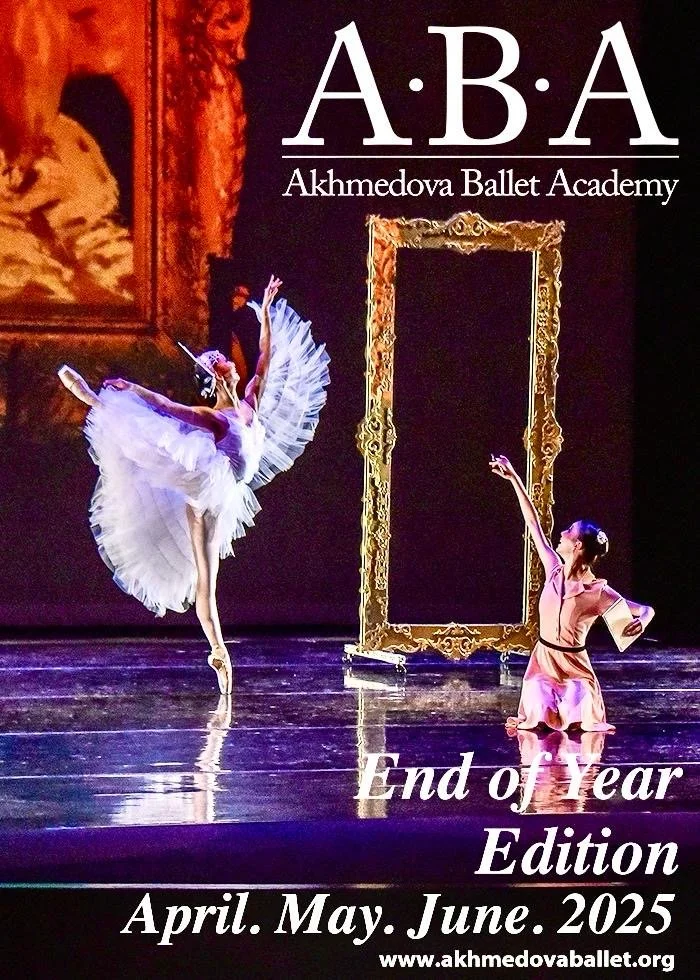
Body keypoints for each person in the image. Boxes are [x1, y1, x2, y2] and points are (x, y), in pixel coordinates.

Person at [58, 276, 330, 694]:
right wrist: (132, 387)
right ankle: (96, 401)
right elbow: (168, 407)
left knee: (208, 579)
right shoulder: (215, 418)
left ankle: (217, 651)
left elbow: (265, 358)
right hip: (206, 492)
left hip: (227, 491)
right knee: (204, 573)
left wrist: (266, 314)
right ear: (219, 377)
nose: (232, 363)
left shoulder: (251, 401)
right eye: (223, 363)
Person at [489, 455, 654, 733]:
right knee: (538, 707)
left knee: (580, 708)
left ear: (577, 546)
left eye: (568, 532)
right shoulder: (553, 569)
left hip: (575, 667)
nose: (562, 534)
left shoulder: (597, 592)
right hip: (544, 664)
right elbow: (533, 524)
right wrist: (514, 477)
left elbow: (644, 609)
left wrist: (645, 619)